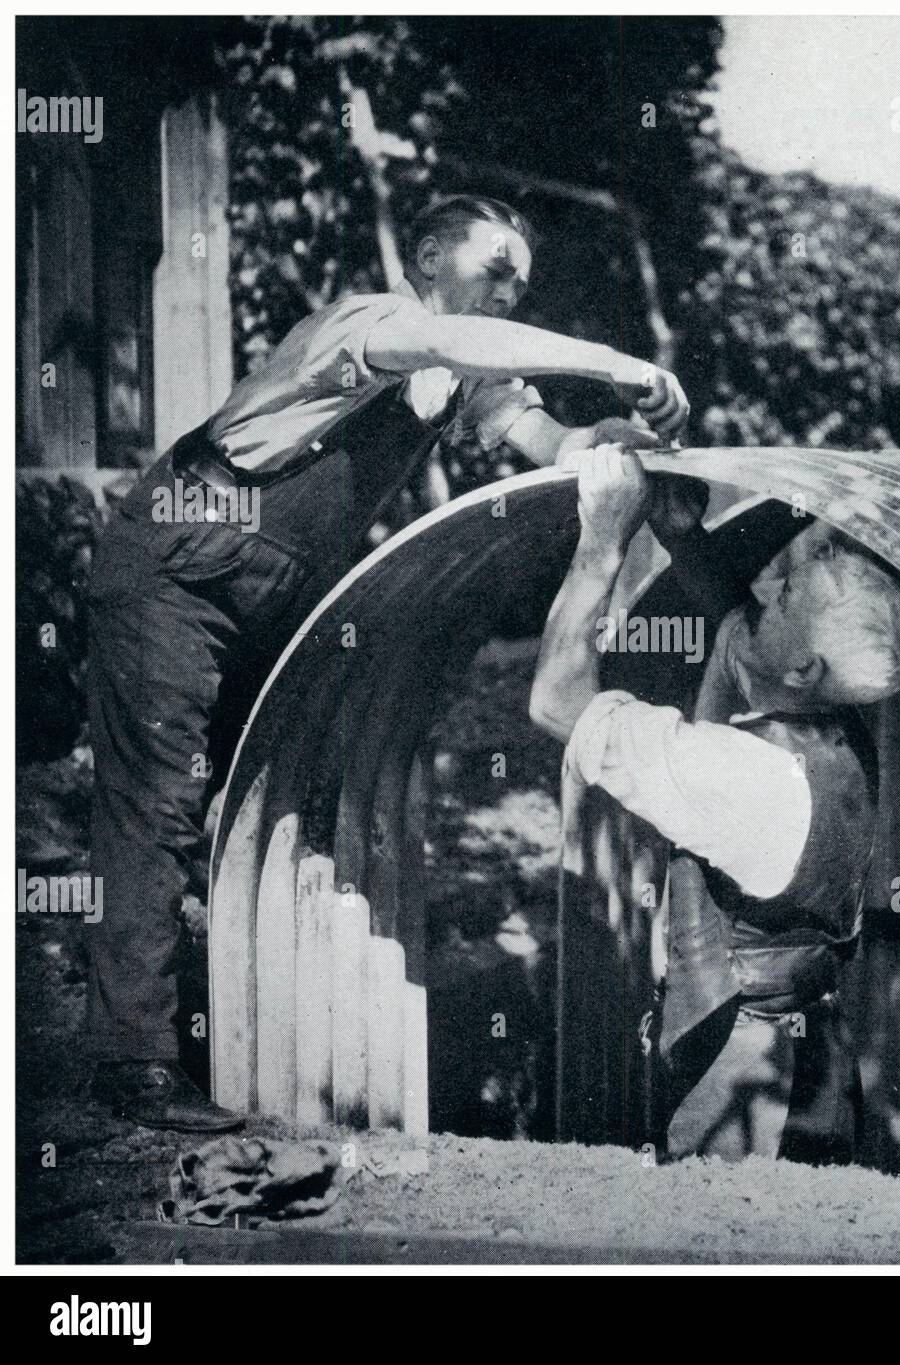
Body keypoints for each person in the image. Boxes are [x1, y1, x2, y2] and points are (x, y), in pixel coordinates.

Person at [86, 195, 688, 1132]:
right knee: (157, 803)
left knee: (246, 800)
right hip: (177, 560)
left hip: (268, 591)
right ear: (427, 257)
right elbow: (458, 346)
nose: (507, 293)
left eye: (521, 283)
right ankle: (131, 1061)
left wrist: (614, 441)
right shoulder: (370, 321)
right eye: (494, 271)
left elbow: (549, 440)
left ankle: (211, 1025)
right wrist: (613, 363)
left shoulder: (456, 382)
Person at [530, 447, 900, 1162]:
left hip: (738, 1074)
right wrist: (682, 534)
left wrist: (602, 540)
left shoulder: (743, 775)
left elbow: (556, 701)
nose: (764, 588)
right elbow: (744, 629)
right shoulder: (841, 740)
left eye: (785, 597)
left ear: (804, 669)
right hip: (812, 1058)